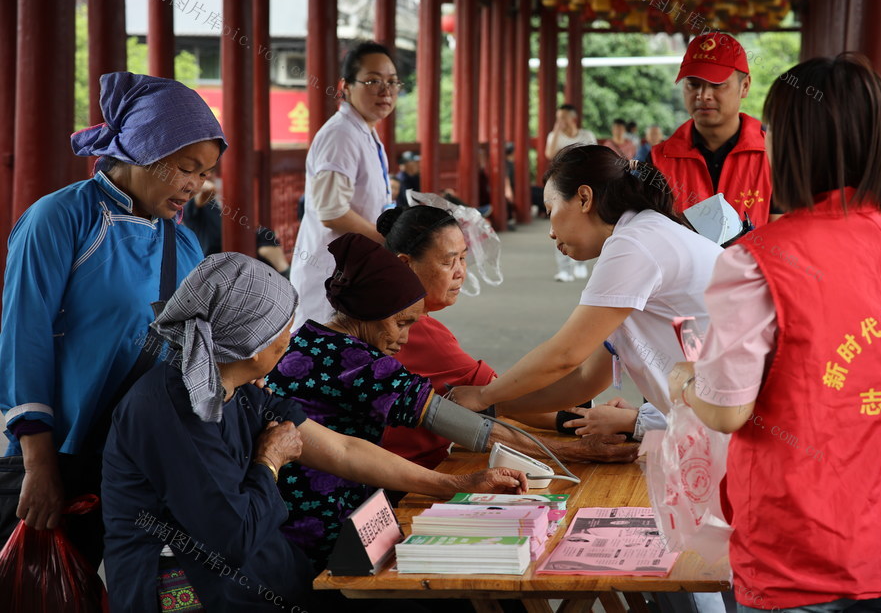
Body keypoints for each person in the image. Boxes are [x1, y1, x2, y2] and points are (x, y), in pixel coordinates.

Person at [668, 54, 881, 612]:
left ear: (792, 143)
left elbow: (726, 410)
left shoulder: (755, 261)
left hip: (795, 554)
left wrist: (684, 380)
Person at [102, 253, 525, 612]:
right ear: (249, 339)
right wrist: (269, 461)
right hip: (187, 585)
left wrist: (453, 484)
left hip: (258, 569)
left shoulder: (241, 388)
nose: (291, 336)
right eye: (281, 326)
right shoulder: (174, 408)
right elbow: (232, 536)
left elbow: (340, 450)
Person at [0, 72, 226, 565]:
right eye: (187, 167)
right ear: (145, 148)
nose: (196, 185)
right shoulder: (60, 218)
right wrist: (38, 464)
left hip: (142, 458)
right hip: (62, 450)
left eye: (205, 173)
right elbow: (24, 337)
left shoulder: (183, 241)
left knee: (136, 587)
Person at [266, 234, 531, 573]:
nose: (405, 338)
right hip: (323, 525)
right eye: (400, 323)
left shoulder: (309, 337)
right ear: (368, 311)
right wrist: (566, 452)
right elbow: (454, 422)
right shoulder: (358, 362)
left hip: (289, 515)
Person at [448, 144, 722, 425]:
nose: (551, 233)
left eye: (550, 210)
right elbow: (586, 378)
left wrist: (485, 395)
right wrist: (497, 407)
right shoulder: (647, 232)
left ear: (583, 198)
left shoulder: (633, 244)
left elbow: (566, 355)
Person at [374, 205, 639, 470]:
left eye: (463, 259)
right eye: (447, 262)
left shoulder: (389, 315)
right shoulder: (418, 332)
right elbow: (498, 398)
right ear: (405, 263)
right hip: (408, 473)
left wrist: (593, 417)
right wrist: (588, 428)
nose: (460, 272)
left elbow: (498, 399)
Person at [291, 40, 401, 330]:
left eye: (392, 81)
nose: (385, 90)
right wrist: (391, 242)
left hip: (352, 272)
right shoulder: (341, 134)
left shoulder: (364, 131)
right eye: (373, 80)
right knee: (322, 359)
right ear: (346, 86)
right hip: (329, 274)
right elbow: (331, 211)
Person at [650, 33, 776, 226]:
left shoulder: (773, 154)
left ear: (745, 86)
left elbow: (783, 233)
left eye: (717, 85)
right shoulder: (658, 160)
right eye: (693, 84)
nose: (703, 95)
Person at [182, 176, 290, 277]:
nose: (208, 175)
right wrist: (198, 178)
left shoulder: (215, 204)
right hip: (216, 258)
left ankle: (284, 271)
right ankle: (285, 272)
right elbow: (209, 189)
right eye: (203, 173)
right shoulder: (191, 205)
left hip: (234, 250)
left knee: (263, 234)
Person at [544, 104, 596, 282]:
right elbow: (550, 154)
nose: (561, 121)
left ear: (573, 118)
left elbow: (595, 158)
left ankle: (580, 263)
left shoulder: (586, 136)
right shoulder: (553, 136)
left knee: (584, 223)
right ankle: (564, 269)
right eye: (558, 117)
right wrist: (557, 131)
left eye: (564, 117)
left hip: (584, 185)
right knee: (558, 224)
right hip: (560, 185)